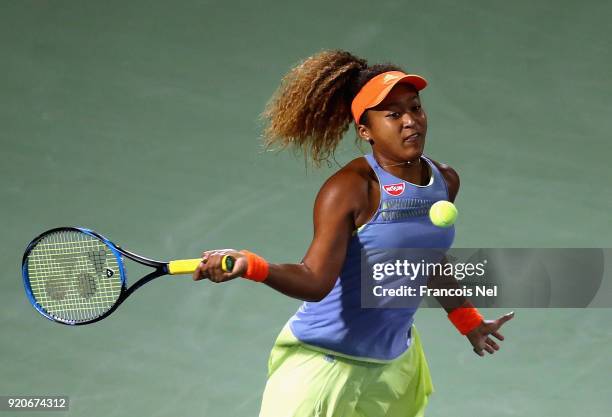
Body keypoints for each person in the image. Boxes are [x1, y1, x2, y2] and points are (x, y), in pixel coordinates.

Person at [192, 50, 514, 417]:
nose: (411, 121)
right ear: (366, 130)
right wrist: (251, 264)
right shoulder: (350, 188)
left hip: (392, 369)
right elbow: (314, 280)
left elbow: (426, 260)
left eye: (415, 108)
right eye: (393, 114)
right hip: (322, 365)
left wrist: (467, 321)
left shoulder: (444, 180)